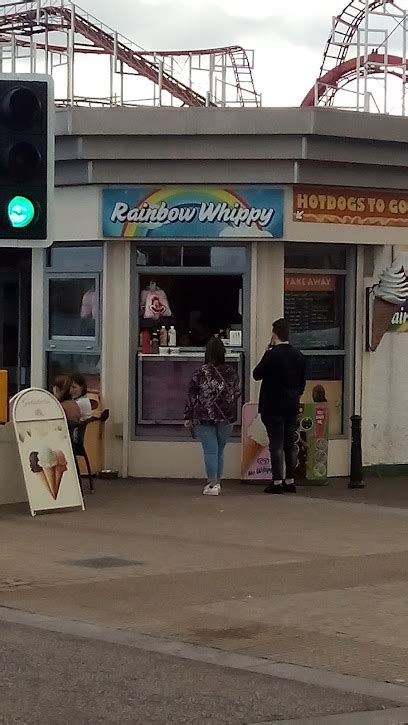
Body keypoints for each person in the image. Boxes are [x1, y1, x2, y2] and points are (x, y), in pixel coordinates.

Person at [253, 318, 306, 494]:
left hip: (272, 406)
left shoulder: (272, 355)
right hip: (291, 406)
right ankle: (290, 481)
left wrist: (267, 352)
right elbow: (302, 384)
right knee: (289, 444)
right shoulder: (298, 355)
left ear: (275, 334)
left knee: (276, 445)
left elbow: (256, 374)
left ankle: (277, 482)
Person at [184, 336, 241, 496]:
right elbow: (236, 393)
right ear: (223, 352)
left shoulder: (200, 373)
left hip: (204, 415)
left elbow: (191, 396)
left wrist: (188, 416)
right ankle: (217, 482)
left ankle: (212, 483)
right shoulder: (231, 372)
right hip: (226, 416)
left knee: (210, 450)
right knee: (219, 450)